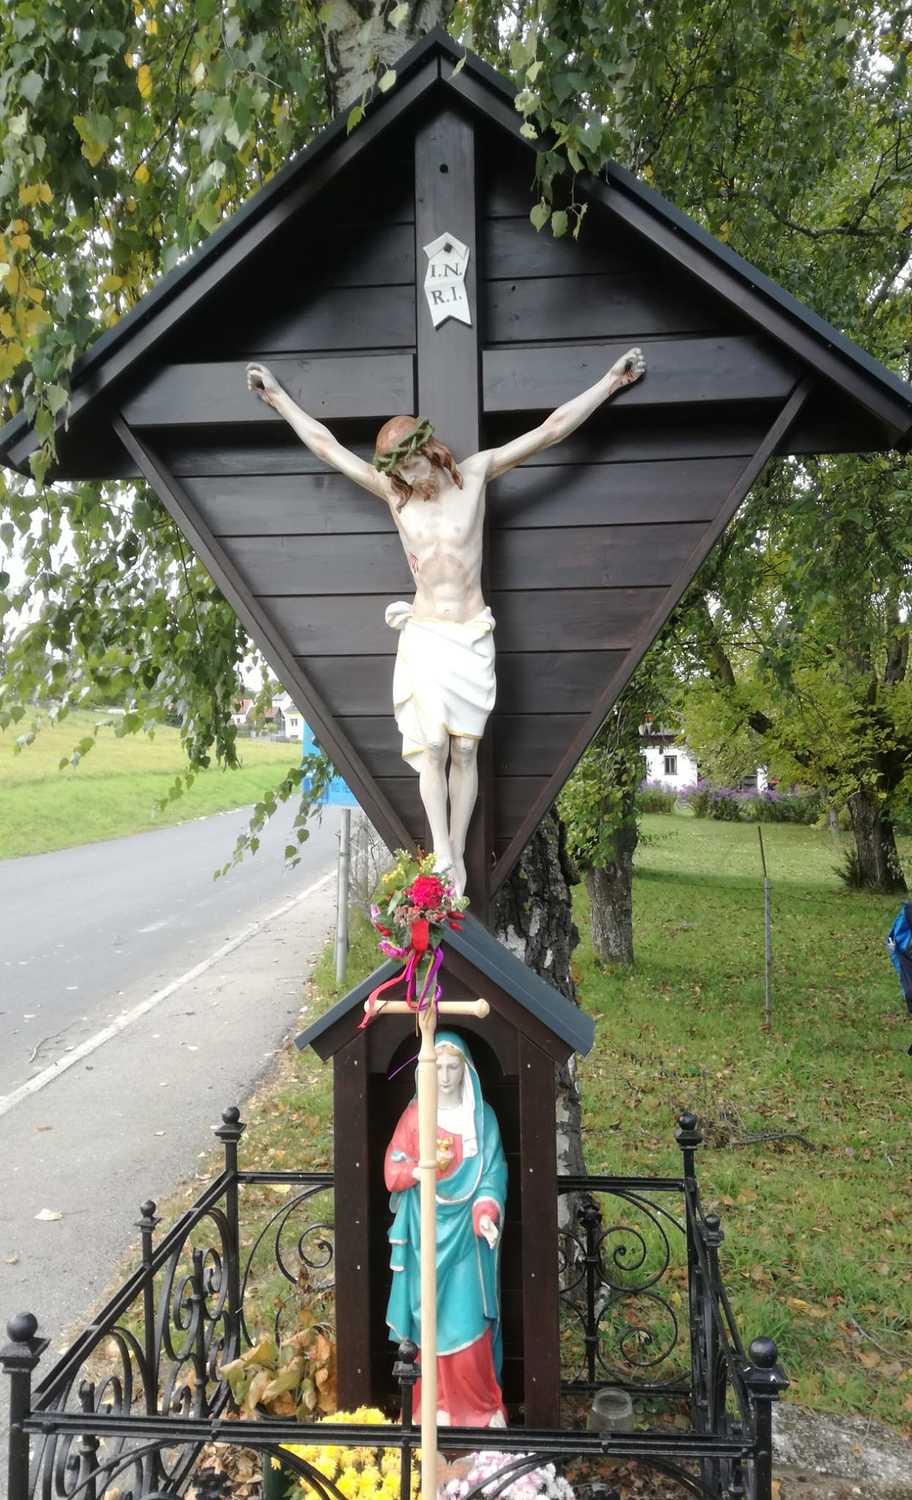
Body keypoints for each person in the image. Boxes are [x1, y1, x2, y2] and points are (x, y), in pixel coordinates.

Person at [246, 347, 646, 894]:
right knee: (432, 747)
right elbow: (327, 447)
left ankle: (456, 847)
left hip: (471, 634)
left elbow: (550, 431)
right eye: (400, 472)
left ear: (430, 449)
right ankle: (442, 853)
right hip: (427, 635)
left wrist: (608, 383)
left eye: (414, 465)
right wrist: (278, 399)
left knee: (465, 749)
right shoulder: (396, 497)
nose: (411, 478)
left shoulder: (475, 475)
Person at [383, 1031, 508, 1427]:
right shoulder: (415, 1116)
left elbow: (493, 1173)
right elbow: (392, 1169)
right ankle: (433, 1405)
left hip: (468, 1239)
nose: (446, 1076)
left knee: (468, 1321)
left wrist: (486, 1212)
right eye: (439, 1068)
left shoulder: (482, 1120)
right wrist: (417, 1171)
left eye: (454, 1068)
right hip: (425, 1234)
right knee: (430, 1324)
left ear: (466, 1071)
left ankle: (481, 1408)